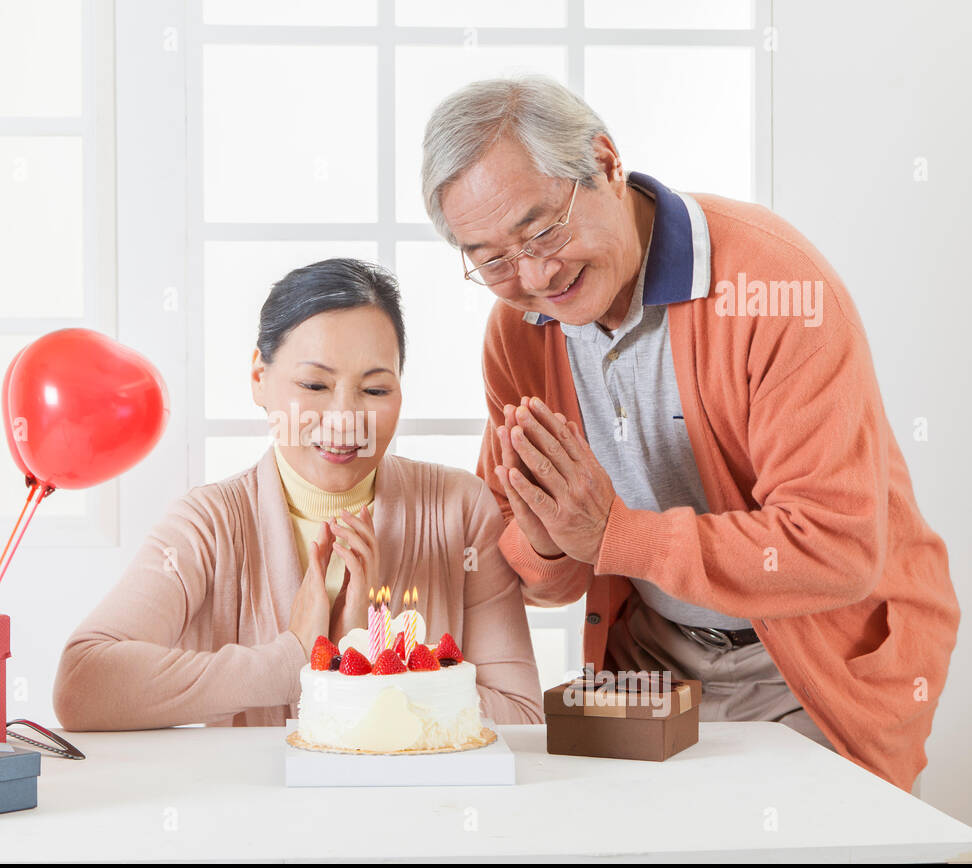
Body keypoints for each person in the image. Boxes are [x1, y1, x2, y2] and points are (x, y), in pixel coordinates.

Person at [420, 75, 959, 792]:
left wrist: (616, 536)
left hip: (812, 663)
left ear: (607, 164)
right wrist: (552, 532)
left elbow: (840, 547)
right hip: (650, 668)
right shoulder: (517, 336)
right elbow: (536, 571)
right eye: (490, 259)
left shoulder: (773, 288)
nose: (534, 275)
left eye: (542, 229)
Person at [53, 258, 542, 730]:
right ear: (259, 379)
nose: (345, 419)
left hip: (419, 812)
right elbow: (83, 684)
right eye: (314, 384)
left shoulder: (458, 509)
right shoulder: (209, 525)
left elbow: (521, 714)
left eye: (374, 391)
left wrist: (364, 655)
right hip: (257, 813)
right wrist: (294, 656)